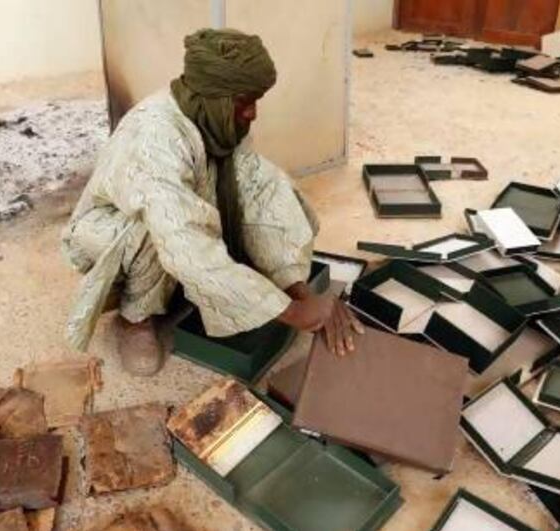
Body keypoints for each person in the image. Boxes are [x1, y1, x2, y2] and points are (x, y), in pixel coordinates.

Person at [61, 28, 363, 376]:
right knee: (155, 230)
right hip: (111, 232)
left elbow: (256, 193)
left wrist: (296, 290)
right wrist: (292, 315)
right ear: (217, 97)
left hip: (173, 222)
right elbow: (184, 241)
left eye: (256, 100)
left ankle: (178, 289)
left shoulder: (216, 117)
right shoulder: (154, 139)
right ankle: (136, 317)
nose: (252, 113)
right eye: (244, 102)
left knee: (264, 181)